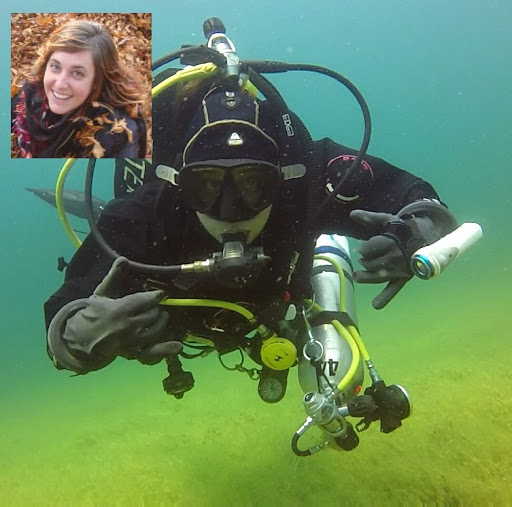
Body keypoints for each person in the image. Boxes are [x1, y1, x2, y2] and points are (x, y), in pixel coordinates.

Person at [43, 23, 459, 449]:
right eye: (206, 186)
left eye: (253, 184)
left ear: (280, 178)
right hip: (187, 314)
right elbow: (64, 306)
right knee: (111, 226)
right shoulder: (145, 215)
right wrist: (75, 336)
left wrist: (419, 229)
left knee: (326, 260)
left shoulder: (306, 180)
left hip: (274, 304)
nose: (230, 213)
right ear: (181, 185)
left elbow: (412, 194)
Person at [11, 18, 148, 158]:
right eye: (55, 66)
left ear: (97, 81)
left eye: (77, 73)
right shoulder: (30, 93)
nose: (59, 84)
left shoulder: (114, 135)